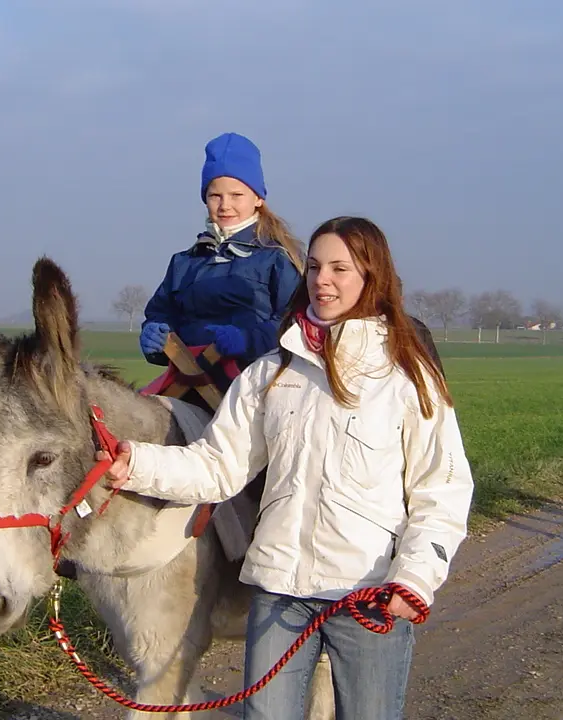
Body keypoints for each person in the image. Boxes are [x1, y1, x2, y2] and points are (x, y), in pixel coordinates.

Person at [103, 216, 476, 719]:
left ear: (373, 276)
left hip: (367, 596)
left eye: (341, 269)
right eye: (316, 267)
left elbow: (442, 487)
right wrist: (137, 463)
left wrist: (415, 578)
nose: (322, 280)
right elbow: (218, 466)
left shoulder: (407, 375)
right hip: (280, 595)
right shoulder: (270, 372)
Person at [139, 132, 304, 371]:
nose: (225, 205)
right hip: (188, 385)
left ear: (258, 198)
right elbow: (160, 314)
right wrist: (154, 335)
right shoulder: (183, 263)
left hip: (255, 383)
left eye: (236, 195)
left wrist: (249, 341)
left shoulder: (277, 258)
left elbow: (295, 323)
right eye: (215, 195)